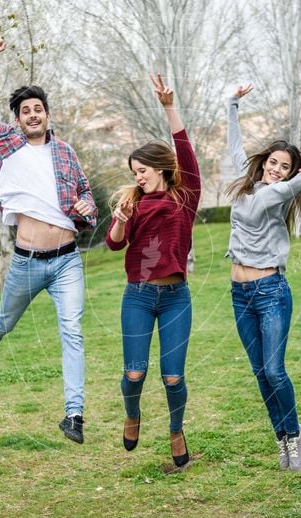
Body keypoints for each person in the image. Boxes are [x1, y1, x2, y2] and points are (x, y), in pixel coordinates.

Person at [0, 35, 98, 444]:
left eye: (38, 109)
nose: (33, 115)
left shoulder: (66, 152)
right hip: (27, 261)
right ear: (17, 119)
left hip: (68, 259)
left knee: (72, 331)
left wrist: (86, 206)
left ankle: (74, 415)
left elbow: (85, 191)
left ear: (48, 115)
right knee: (5, 320)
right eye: (25, 111)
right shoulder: (4, 143)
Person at [106, 74, 201, 469]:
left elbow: (186, 151)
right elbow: (114, 243)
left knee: (173, 377)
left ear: (160, 168)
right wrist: (120, 220)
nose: (138, 177)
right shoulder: (132, 203)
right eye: (134, 172)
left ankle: (176, 430)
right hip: (139, 297)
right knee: (133, 373)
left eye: (142, 169)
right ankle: (133, 414)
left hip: (176, 297)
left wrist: (168, 107)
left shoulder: (185, 197)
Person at [226, 84, 301, 473]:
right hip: (239, 292)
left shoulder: (280, 192)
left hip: (270, 291)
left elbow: (296, 184)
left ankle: (295, 432)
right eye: (273, 162)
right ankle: (281, 438)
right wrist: (232, 105)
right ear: (264, 161)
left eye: (285, 165)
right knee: (259, 372)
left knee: (275, 369)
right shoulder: (248, 186)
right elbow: (234, 148)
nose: (276, 169)